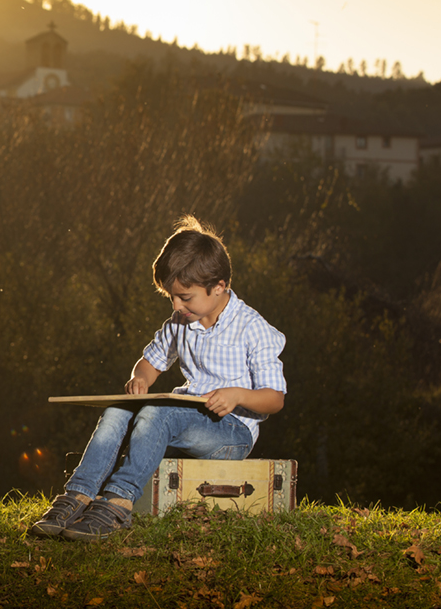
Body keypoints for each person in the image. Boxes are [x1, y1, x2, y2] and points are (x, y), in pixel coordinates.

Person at [30, 216, 287, 542]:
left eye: (185, 297)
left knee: (156, 413)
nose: (177, 306)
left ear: (219, 286)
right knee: (117, 411)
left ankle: (118, 504)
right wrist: (139, 380)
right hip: (186, 414)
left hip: (231, 432)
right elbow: (149, 364)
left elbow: (275, 398)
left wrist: (237, 395)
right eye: (171, 297)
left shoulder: (253, 329)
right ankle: (77, 496)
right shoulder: (180, 321)